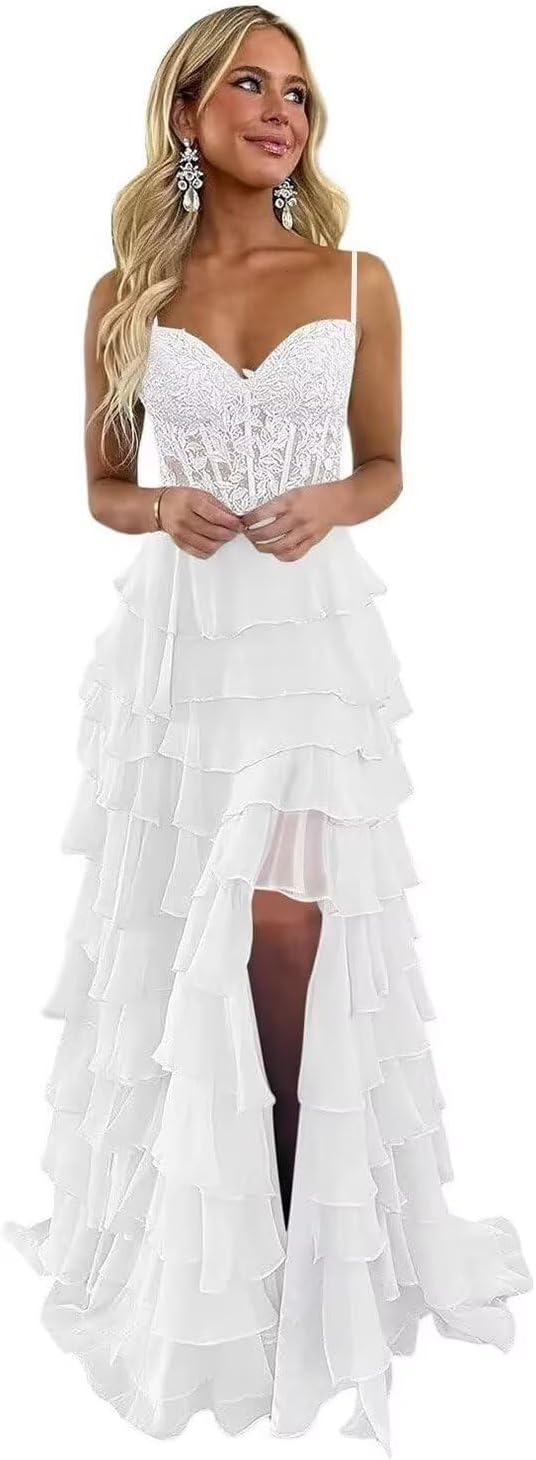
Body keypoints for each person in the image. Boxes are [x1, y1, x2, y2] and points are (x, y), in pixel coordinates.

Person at [3, 5, 532, 1451]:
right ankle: (218, 1233)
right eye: (247, 83)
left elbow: (388, 463)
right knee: (199, 931)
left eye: (296, 89)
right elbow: (100, 486)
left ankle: (309, 1214)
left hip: (307, 643)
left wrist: (334, 499)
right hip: (181, 652)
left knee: (287, 923)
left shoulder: (359, 279)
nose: (279, 108)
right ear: (186, 115)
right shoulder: (122, 295)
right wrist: (158, 506)